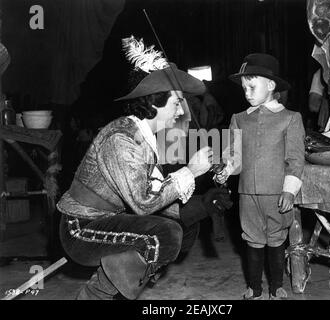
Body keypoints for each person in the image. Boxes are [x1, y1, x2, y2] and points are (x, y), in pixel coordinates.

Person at [56, 48, 233, 300]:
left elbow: (157, 195)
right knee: (167, 235)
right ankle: (95, 295)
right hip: (80, 229)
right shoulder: (122, 139)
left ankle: (105, 290)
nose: (182, 112)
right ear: (153, 102)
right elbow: (144, 203)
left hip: (106, 221)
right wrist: (191, 171)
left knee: (183, 228)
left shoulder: (142, 138)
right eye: (176, 103)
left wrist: (203, 205)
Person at [215, 53, 305, 300]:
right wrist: (226, 169)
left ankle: (276, 286)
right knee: (252, 239)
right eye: (244, 88)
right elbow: (233, 155)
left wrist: (289, 190)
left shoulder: (290, 118)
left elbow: (296, 159)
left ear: (271, 85)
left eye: (252, 86)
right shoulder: (239, 119)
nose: (246, 92)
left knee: (276, 239)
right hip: (247, 194)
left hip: (277, 194)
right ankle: (254, 289)